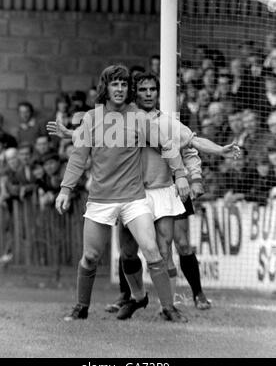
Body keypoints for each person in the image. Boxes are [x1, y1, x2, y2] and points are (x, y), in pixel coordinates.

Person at [49, 71, 240, 319]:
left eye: (123, 84)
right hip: (102, 199)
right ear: (105, 88)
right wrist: (66, 188)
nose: (119, 89)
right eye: (114, 84)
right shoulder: (93, 118)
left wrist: (184, 176)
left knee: (156, 250)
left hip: (137, 196)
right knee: (96, 255)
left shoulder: (143, 119)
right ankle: (89, 306)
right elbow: (80, 154)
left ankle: (170, 307)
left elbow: (173, 145)